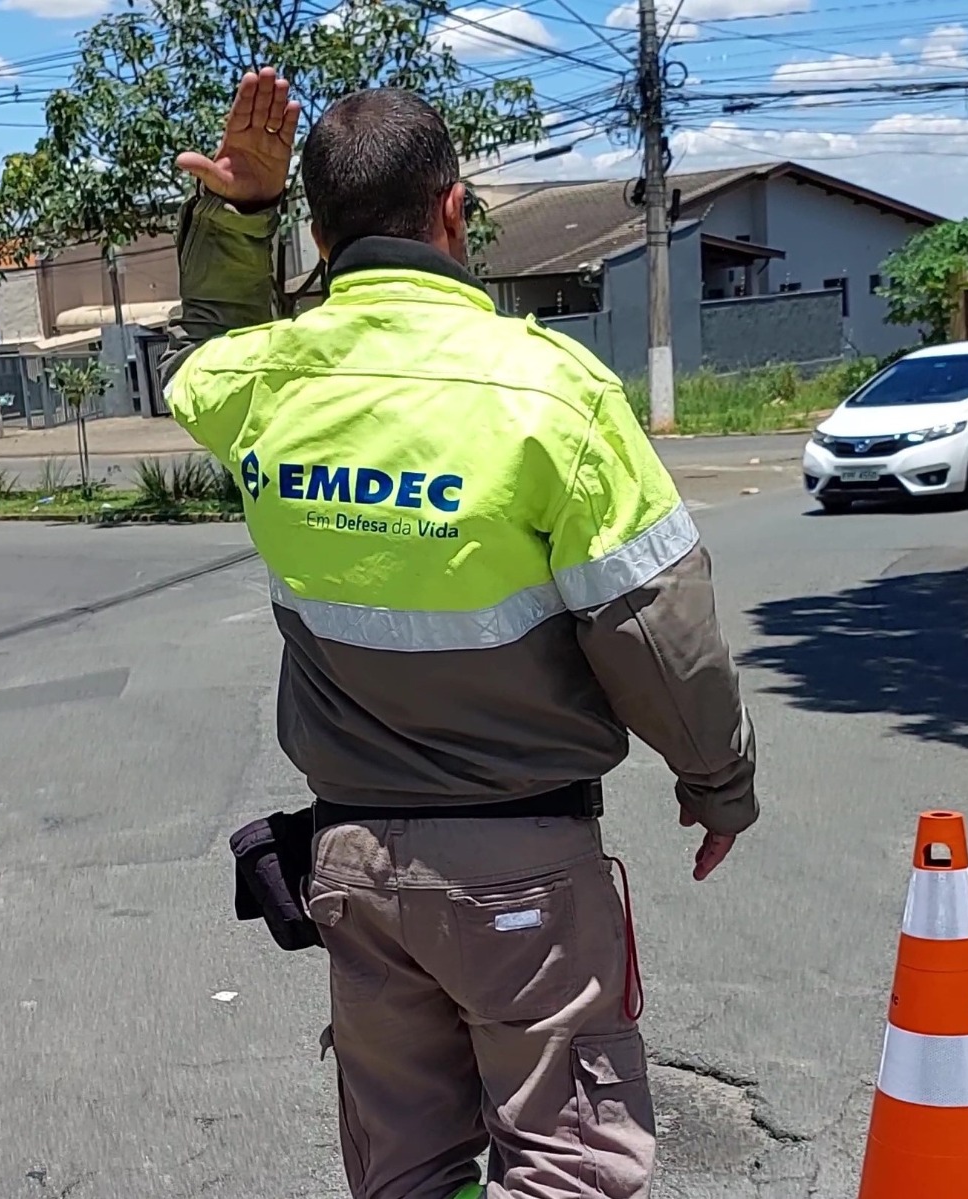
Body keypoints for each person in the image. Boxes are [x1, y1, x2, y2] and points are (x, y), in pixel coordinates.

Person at [161, 68, 759, 1199]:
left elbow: (210, 352)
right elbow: (659, 629)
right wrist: (717, 782)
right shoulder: (551, 392)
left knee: (407, 1168)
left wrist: (239, 218)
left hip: (352, 870)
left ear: (320, 236)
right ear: (453, 211)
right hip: (520, 870)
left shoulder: (270, 385)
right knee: (568, 1163)